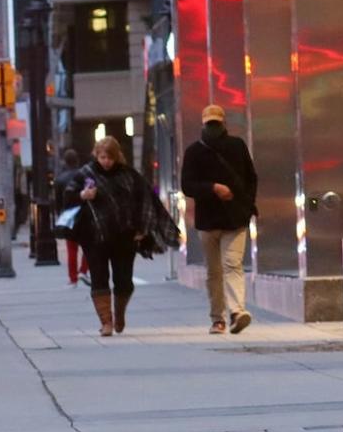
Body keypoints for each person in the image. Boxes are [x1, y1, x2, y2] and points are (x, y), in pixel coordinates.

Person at [72, 136, 179, 336]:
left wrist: (142, 229)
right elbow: (67, 196)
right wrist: (82, 196)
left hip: (124, 236)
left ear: (117, 156)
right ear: (96, 155)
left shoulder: (130, 176)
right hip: (94, 236)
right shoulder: (85, 175)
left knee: (124, 281)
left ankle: (119, 313)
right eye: (102, 157)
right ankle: (106, 321)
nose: (106, 161)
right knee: (98, 277)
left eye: (110, 158)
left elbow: (145, 201)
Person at [180, 104, 258, 335]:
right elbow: (187, 186)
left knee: (230, 265)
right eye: (210, 123)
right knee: (215, 271)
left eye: (216, 122)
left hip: (234, 218)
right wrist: (213, 188)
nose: (213, 127)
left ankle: (236, 312)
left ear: (223, 122)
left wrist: (246, 204)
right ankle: (218, 317)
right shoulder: (194, 151)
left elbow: (251, 178)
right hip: (210, 221)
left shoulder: (237, 146)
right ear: (205, 124)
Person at [54, 149, 88, 287]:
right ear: (77, 160)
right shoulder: (85, 176)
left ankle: (72, 278)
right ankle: (83, 270)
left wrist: (60, 215)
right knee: (87, 246)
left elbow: (57, 201)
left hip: (68, 216)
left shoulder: (60, 179)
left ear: (65, 162)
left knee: (71, 249)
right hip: (85, 214)